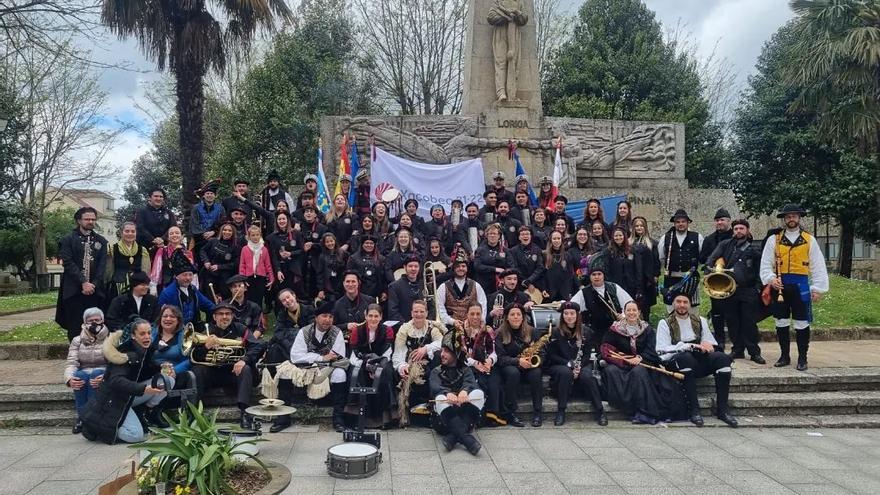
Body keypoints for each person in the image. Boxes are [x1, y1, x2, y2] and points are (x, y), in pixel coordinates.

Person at [760, 204, 829, 371]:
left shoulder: (808, 239)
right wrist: (771, 279)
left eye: (794, 216)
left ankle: (803, 358)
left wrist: (818, 288)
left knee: (801, 322)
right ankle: (784, 356)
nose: (791, 219)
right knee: (781, 322)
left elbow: (818, 266)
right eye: (788, 216)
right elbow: (765, 264)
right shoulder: (774, 239)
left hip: (801, 286)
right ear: (784, 219)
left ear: (799, 218)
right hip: (780, 287)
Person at [656, 292, 738, 427]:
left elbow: (709, 341)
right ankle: (694, 410)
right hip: (678, 362)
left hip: (698, 360)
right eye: (678, 301)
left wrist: (708, 345)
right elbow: (662, 350)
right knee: (686, 359)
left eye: (685, 302)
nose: (682, 305)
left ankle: (723, 409)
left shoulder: (700, 321)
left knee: (722, 359)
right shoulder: (664, 323)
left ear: (689, 304)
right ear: (673, 304)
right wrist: (688, 346)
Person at [81, 319, 168, 444]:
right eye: (142, 334)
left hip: (130, 395)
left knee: (167, 380)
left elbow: (146, 370)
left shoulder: (145, 350)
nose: (147, 337)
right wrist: (143, 389)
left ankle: (143, 412)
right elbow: (116, 381)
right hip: (115, 400)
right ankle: (99, 428)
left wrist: (163, 368)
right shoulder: (125, 353)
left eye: (149, 333)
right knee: (136, 436)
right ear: (133, 336)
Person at [601, 301, 684, 425]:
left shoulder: (647, 329)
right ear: (624, 312)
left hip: (643, 364)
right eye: (628, 310)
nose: (631, 313)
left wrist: (640, 358)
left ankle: (646, 413)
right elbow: (606, 348)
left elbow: (653, 350)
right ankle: (629, 408)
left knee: (638, 372)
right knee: (610, 371)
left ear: (639, 312)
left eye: (634, 310)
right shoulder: (615, 329)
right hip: (622, 364)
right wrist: (625, 360)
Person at [191, 303, 266, 429]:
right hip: (213, 373)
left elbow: (258, 345)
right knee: (197, 370)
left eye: (228, 314)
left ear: (232, 316)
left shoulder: (240, 329)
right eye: (221, 314)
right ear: (214, 317)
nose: (224, 317)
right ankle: (194, 413)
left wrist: (244, 359)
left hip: (233, 372)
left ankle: (245, 412)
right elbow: (195, 357)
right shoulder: (207, 331)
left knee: (245, 368)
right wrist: (205, 347)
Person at [707, 219, 766, 364]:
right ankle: (737, 350)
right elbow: (710, 260)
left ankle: (754, 352)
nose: (738, 231)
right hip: (729, 290)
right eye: (736, 229)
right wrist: (714, 267)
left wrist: (758, 288)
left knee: (749, 322)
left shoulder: (754, 248)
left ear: (747, 230)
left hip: (748, 290)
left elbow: (760, 270)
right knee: (732, 322)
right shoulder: (725, 245)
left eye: (742, 228)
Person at [290, 301, 349, 432]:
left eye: (330, 317)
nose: (327, 320)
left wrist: (316, 357)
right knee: (285, 372)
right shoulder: (304, 331)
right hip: (307, 368)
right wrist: (321, 358)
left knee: (340, 373)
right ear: (316, 318)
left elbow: (338, 357)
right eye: (324, 316)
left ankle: (338, 418)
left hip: (328, 369)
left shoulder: (336, 332)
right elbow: (295, 356)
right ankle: (283, 418)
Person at [546, 302, 606, 426]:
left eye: (572, 313)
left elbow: (587, 355)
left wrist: (579, 366)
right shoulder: (556, 332)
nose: (569, 316)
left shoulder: (586, 332)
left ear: (577, 315)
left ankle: (600, 410)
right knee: (565, 373)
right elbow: (552, 355)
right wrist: (569, 364)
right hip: (561, 364)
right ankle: (561, 411)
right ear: (562, 316)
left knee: (587, 376)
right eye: (566, 314)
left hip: (581, 364)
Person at [264, 288, 313, 433]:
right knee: (281, 367)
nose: (287, 301)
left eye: (288, 297)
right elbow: (278, 333)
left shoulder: (308, 310)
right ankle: (283, 419)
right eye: (284, 300)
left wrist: (293, 338)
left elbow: (310, 331)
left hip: (308, 351)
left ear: (294, 295)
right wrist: (290, 345)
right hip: (288, 352)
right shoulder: (282, 314)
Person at [56, 207, 109, 342]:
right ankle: (76, 357)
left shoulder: (101, 241)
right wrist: (83, 282)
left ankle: (94, 356)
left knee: (96, 325)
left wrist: (93, 285)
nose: (90, 221)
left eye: (93, 219)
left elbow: (102, 266)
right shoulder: (67, 240)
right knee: (75, 326)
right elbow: (67, 263)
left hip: (95, 291)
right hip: (74, 290)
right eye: (87, 219)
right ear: (79, 220)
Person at [430, 330, 484, 456]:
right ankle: (467, 439)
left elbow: (471, 384)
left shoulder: (466, 370)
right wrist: (447, 393)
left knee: (478, 394)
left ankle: (453, 438)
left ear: (456, 353)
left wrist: (464, 391)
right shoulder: (436, 371)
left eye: (447, 351)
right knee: (439, 398)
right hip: (443, 421)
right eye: (442, 350)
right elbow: (435, 387)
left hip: (464, 417)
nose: (442, 354)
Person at [345, 304, 398, 428]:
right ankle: (358, 418)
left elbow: (387, 352)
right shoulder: (357, 330)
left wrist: (377, 366)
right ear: (365, 316)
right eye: (370, 316)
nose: (373, 319)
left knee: (385, 373)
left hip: (381, 360)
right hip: (361, 361)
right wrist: (366, 365)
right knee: (356, 373)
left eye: (376, 316)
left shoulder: (387, 330)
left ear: (381, 317)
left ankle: (384, 419)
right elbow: (353, 353)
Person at [570, 254, 632, 354]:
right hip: (594, 331)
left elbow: (629, 304)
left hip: (615, 330)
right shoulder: (584, 292)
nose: (596, 277)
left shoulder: (614, 288)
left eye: (599, 274)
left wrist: (624, 316)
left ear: (603, 275)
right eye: (593, 275)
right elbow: (572, 307)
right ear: (590, 277)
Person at [455, 302, 505, 426]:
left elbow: (493, 350)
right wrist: (476, 363)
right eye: (472, 314)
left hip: (486, 364)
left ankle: (492, 415)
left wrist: (490, 361)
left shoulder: (487, 330)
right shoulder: (461, 331)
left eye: (478, 314)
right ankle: (477, 415)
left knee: (494, 381)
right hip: (468, 365)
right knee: (478, 381)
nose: (475, 317)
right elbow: (462, 354)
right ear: (467, 314)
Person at [393, 300, 444, 422]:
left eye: (422, 311)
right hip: (410, 364)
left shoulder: (433, 328)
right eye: (416, 311)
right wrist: (402, 366)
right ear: (411, 313)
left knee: (436, 361)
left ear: (426, 313)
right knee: (406, 375)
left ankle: (433, 406)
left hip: (429, 365)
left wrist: (426, 349)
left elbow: (441, 342)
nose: (419, 314)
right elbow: (398, 353)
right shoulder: (404, 329)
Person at [494, 303, 542, 427]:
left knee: (536, 373)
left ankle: (537, 412)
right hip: (510, 367)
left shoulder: (533, 331)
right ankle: (511, 412)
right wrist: (517, 361)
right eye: (512, 314)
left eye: (518, 314)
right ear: (507, 318)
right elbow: (499, 358)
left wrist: (533, 363)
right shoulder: (499, 333)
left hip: (528, 366)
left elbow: (542, 353)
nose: (516, 317)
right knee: (513, 373)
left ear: (523, 317)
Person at [64, 307, 109, 434]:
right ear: (84, 323)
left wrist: (106, 376)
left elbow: (114, 363)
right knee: (79, 376)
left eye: (97, 320)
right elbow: (72, 362)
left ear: (102, 321)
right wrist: (69, 379)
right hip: (84, 371)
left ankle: (90, 417)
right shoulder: (77, 340)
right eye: (90, 321)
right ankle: (82, 417)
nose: (94, 323)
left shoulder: (110, 338)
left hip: (102, 372)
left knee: (95, 375)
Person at [149, 304, 197, 419]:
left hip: (175, 373)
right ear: (160, 319)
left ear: (178, 320)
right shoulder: (151, 333)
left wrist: (174, 370)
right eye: (165, 316)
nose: (168, 319)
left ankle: (155, 410)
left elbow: (189, 359)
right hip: (153, 370)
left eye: (172, 316)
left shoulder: (185, 335)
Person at [658, 209, 704, 312]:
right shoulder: (666, 237)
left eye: (683, 221)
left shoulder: (697, 237)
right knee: (671, 308)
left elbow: (702, 257)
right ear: (674, 223)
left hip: (691, 279)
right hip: (671, 278)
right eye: (678, 222)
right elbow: (661, 257)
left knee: (692, 309)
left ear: (688, 223)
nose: (681, 224)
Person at [700, 208, 733, 350]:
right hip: (716, 282)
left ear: (728, 221)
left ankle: (738, 343)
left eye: (722, 220)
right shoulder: (709, 239)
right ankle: (719, 341)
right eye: (717, 220)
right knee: (717, 312)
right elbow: (702, 258)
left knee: (733, 313)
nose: (719, 222)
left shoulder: (736, 235)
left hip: (733, 279)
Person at [158, 250, 215, 326]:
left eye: (190, 275)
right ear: (176, 276)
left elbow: (207, 304)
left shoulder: (193, 289)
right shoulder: (168, 293)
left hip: (193, 326)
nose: (188, 278)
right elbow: (162, 316)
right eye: (185, 275)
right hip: (175, 328)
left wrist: (219, 310)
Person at [437, 249, 488, 326]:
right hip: (450, 326)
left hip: (473, 326)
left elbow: (483, 306)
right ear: (453, 268)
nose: (461, 268)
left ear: (467, 268)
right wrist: (452, 321)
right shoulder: (443, 287)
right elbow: (440, 308)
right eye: (458, 266)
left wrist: (479, 321)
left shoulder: (476, 286)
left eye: (463, 266)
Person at [104, 221, 151, 301]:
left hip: (138, 287)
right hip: (118, 287)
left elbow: (145, 271)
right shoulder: (113, 249)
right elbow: (108, 271)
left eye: (133, 231)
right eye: (127, 231)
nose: (130, 234)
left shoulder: (142, 250)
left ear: (136, 233)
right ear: (121, 233)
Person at [266, 212, 304, 301]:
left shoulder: (296, 234)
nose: (281, 221)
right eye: (279, 219)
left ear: (288, 220)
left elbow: (302, 250)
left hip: (294, 268)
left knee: (295, 293)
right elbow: (273, 256)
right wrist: (278, 270)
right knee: (281, 293)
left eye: (284, 219)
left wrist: (291, 254)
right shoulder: (271, 237)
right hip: (281, 268)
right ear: (276, 221)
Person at [199, 222, 241, 301]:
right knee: (210, 296)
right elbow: (203, 250)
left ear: (233, 233)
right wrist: (206, 261)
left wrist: (219, 267)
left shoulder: (236, 246)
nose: (227, 232)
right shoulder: (213, 241)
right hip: (210, 274)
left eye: (229, 231)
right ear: (221, 231)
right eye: (225, 230)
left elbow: (236, 263)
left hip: (225, 276)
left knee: (225, 296)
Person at [630, 216, 660, 319]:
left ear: (645, 227)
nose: (639, 228)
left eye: (641, 226)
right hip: (633, 278)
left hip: (647, 279)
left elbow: (657, 261)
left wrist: (656, 275)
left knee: (646, 305)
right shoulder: (629, 243)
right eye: (636, 226)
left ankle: (646, 323)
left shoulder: (652, 243)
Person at [239, 224, 275, 309]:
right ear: (249, 236)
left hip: (261, 277)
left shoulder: (264, 249)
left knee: (259, 299)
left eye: (257, 235)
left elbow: (268, 265)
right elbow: (242, 265)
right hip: (248, 277)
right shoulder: (245, 249)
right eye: (253, 235)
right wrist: (242, 279)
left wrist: (271, 278)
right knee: (249, 298)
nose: (255, 237)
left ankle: (259, 317)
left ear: (260, 235)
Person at [134, 188, 177, 256]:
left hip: (165, 248)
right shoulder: (141, 212)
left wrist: (162, 239)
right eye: (156, 196)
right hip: (145, 249)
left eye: (161, 197)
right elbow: (140, 228)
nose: (158, 198)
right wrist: (154, 239)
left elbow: (173, 227)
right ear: (150, 198)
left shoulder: (169, 213)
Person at [603, 226, 640, 300]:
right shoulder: (608, 251)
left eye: (620, 235)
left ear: (624, 236)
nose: (618, 237)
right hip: (616, 284)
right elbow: (606, 269)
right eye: (616, 236)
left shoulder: (632, 250)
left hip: (631, 285)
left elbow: (637, 268)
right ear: (612, 237)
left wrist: (638, 285)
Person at [190, 180, 226, 257]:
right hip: (200, 241)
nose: (209, 195)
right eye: (207, 193)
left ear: (215, 195)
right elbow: (194, 224)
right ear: (204, 195)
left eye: (212, 193)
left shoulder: (220, 208)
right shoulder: (196, 208)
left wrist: (214, 232)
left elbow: (224, 223)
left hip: (216, 240)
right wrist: (204, 235)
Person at [387, 256, 428, 322]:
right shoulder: (394, 286)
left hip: (424, 325)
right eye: (410, 266)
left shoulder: (424, 284)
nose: (413, 269)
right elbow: (393, 312)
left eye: (416, 266)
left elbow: (431, 306)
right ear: (404, 267)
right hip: (404, 327)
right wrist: (408, 325)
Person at [473, 223, 510, 294]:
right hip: (484, 283)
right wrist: (495, 269)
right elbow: (477, 266)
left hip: (500, 284)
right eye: (490, 234)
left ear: (499, 236)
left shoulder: (505, 250)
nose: (492, 236)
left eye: (495, 234)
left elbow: (510, 266)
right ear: (487, 236)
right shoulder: (480, 250)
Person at [153, 225, 192, 292]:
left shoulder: (188, 253)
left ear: (182, 236)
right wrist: (153, 286)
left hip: (184, 288)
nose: (174, 235)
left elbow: (192, 272)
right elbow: (156, 270)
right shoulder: (162, 251)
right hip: (167, 287)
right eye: (171, 233)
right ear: (168, 237)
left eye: (177, 233)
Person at [225, 274, 265, 339]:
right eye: (234, 286)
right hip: (230, 340)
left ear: (245, 288)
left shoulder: (254, 306)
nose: (237, 289)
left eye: (240, 286)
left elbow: (259, 327)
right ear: (230, 289)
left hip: (249, 339)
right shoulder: (224, 306)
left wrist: (251, 340)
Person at [541, 230, 577, 302]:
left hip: (564, 291)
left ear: (562, 240)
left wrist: (571, 289)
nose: (556, 241)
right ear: (550, 240)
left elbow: (571, 274)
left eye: (558, 238)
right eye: (554, 239)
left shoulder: (567, 255)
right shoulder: (544, 255)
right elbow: (542, 274)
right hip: (550, 291)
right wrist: (543, 288)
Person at [347, 235, 385, 301]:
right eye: (367, 243)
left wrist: (384, 291)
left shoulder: (381, 259)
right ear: (362, 244)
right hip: (360, 291)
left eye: (371, 243)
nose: (369, 245)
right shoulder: (353, 258)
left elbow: (384, 277)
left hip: (376, 291)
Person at [315, 232, 348, 304]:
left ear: (335, 241)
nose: (330, 243)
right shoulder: (322, 256)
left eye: (331, 241)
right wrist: (321, 289)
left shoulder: (343, 253)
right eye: (327, 242)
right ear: (324, 243)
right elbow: (319, 274)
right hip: (329, 286)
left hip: (341, 284)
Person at [509, 226, 544, 293]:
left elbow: (540, 267)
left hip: (536, 283)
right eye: (522, 234)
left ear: (531, 236)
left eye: (527, 234)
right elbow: (514, 268)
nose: (525, 236)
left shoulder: (537, 249)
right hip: (519, 284)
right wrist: (524, 281)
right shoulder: (513, 251)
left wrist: (529, 281)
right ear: (519, 237)